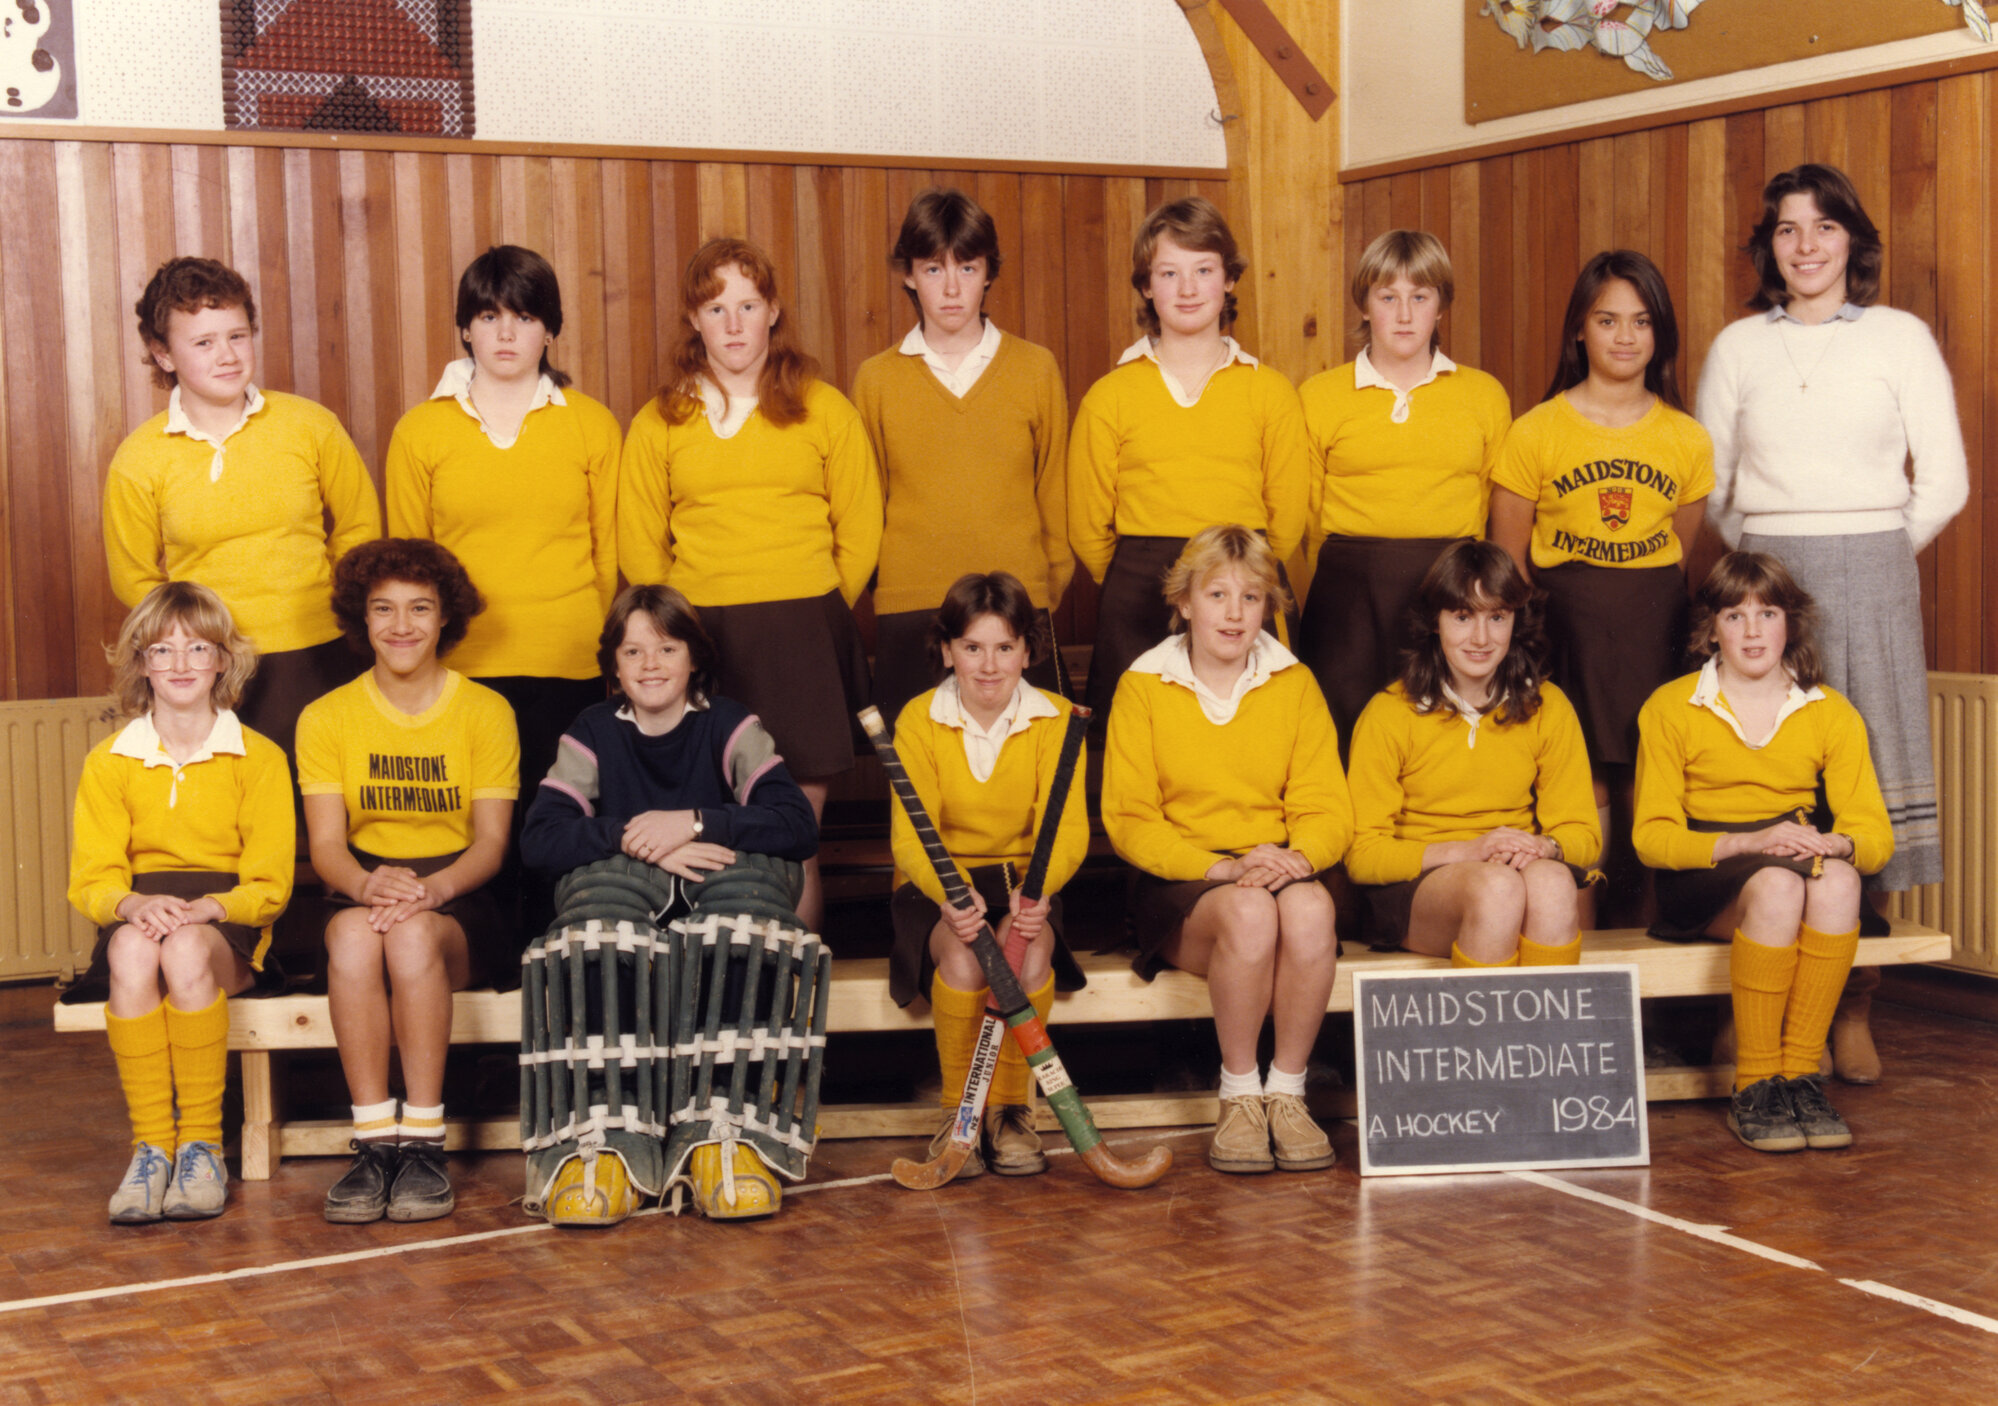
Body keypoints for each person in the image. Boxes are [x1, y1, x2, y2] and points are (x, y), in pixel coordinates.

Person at [1696, 163, 1968, 1083]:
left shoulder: (1899, 338)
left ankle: (1852, 1005)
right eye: (1786, 230)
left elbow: (1947, 482)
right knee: (1768, 765)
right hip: (1770, 567)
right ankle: (1756, 1012)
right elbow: (1717, 490)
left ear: (1853, 240)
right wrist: (1768, 572)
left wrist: (1878, 558)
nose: (1805, 245)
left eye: (1823, 228)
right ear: (1767, 247)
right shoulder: (1739, 346)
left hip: (1876, 572)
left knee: (1866, 779)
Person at [519, 583, 820, 1224]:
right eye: (633, 651)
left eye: (666, 647)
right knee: (596, 918)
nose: (650, 664)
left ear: (692, 658)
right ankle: (604, 1143)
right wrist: (639, 837)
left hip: (718, 897)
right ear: (615, 665)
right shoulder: (595, 730)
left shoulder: (728, 722)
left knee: (748, 907)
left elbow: (796, 825)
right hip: (632, 903)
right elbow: (540, 839)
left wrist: (692, 823)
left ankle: (726, 1138)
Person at [619, 237, 883, 933]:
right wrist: (672, 637)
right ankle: (728, 1011)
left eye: (747, 305)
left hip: (802, 638)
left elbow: (860, 528)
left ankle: (795, 1015)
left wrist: (812, 600)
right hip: (701, 641)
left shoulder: (825, 408)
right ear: (694, 320)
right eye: (716, 307)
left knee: (791, 841)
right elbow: (640, 543)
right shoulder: (659, 421)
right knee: (709, 838)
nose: (733, 324)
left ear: (772, 313)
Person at [385, 245, 621, 934]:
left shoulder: (591, 424)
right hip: (463, 670)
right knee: (476, 839)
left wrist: (599, 653)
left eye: (524, 316)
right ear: (466, 329)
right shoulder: (420, 430)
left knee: (560, 835)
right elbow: (410, 562)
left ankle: (564, 995)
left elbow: (611, 557)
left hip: (569, 661)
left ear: (550, 329)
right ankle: (486, 998)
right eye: (489, 317)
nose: (508, 334)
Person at [1101, 526, 1349, 1175]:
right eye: (1217, 594)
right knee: (1249, 912)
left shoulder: (1294, 683)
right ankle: (1240, 1095)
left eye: (1251, 596)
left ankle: (1287, 1094)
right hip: (1185, 880)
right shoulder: (1143, 685)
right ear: (1183, 601)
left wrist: (1298, 857)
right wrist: (1221, 868)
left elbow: (1327, 807)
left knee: (1311, 910)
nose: (1235, 612)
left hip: (1273, 862)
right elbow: (1129, 820)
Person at [1634, 552, 1892, 1152]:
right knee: (1778, 886)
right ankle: (1754, 1085)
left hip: (1797, 853)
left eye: (1767, 613)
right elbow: (1651, 837)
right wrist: (1751, 840)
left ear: (1789, 623)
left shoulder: (1829, 710)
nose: (1752, 631)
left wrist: (1837, 841)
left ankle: (1800, 1076)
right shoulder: (1671, 706)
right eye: (1734, 614)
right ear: (1711, 629)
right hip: (1710, 867)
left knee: (1841, 882)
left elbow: (1875, 838)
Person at [298, 539, 519, 1225]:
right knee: (360, 942)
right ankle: (373, 1145)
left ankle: (423, 1142)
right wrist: (369, 887)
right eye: (383, 609)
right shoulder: (326, 716)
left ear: (444, 617)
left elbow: (491, 844)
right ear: (360, 620)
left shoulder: (485, 711)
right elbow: (328, 847)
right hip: (364, 884)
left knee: (412, 936)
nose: (401, 625)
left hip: (459, 895)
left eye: (419, 608)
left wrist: (433, 890)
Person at [1488, 250, 1712, 921]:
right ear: (1579, 330)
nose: (1623, 336)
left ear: (1660, 333)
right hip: (1566, 627)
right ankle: (1579, 952)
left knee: (1652, 778)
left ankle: (1649, 960)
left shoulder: (1686, 438)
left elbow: (1680, 551)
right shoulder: (1535, 430)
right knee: (1577, 782)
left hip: (1653, 623)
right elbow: (1509, 557)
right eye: (1607, 319)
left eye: (1641, 321)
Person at [66, 583, 294, 1223]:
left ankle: (201, 1144)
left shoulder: (259, 758)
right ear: (141, 664)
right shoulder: (110, 762)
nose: (182, 664)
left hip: (229, 928)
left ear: (224, 659)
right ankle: (150, 1150)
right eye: (162, 651)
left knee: (186, 946)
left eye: (199, 647)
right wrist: (134, 905)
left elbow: (271, 885)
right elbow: (92, 879)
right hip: (141, 915)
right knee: (138, 948)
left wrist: (209, 909)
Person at [103, 256, 380, 763]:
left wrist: (331, 604)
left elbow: (361, 528)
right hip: (212, 666)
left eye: (237, 335)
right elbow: (133, 577)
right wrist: (197, 642)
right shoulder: (139, 458)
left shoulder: (310, 425)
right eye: (203, 343)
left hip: (320, 652)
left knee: (324, 814)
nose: (227, 355)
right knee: (230, 820)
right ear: (163, 355)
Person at [1068, 197, 1308, 727]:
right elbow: (1087, 526)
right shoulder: (1109, 397)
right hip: (1139, 588)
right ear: (1147, 287)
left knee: (1252, 734)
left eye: (1203, 270)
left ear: (1228, 281)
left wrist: (1240, 578)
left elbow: (1288, 517)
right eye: (1169, 273)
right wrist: (1146, 578)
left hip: (1242, 578)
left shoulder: (1269, 392)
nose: (1188, 288)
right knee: (1139, 740)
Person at [888, 572, 1091, 1178]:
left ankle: (1010, 1112)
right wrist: (952, 894)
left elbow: (1070, 831)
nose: (989, 665)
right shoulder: (918, 719)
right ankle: (961, 1114)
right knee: (967, 958)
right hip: (941, 885)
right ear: (947, 649)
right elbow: (909, 834)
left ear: (1028, 650)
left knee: (1026, 959)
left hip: (1029, 883)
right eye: (972, 647)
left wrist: (1039, 892)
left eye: (1005, 647)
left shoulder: (1058, 717)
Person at [853, 189, 1074, 724]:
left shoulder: (1035, 369)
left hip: (1016, 608)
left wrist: (1038, 594)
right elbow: (866, 503)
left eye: (967, 268)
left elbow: (1055, 494)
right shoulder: (876, 379)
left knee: (1029, 776)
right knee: (915, 780)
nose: (952, 288)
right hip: (911, 608)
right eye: (933, 269)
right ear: (908, 274)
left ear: (989, 273)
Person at [1296, 230, 1512, 746]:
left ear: (1441, 306)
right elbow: (1300, 515)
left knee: (1437, 726)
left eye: (1420, 297)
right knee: (1345, 727)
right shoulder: (1319, 396)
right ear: (1365, 306)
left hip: (1450, 584)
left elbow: (1493, 505)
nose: (1405, 314)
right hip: (1348, 591)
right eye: (1387, 297)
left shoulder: (1482, 395)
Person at [1344, 540, 1601, 968]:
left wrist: (1543, 847)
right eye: (1462, 617)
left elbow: (1583, 835)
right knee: (1497, 889)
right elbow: (1362, 854)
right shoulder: (1390, 712)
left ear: (1515, 622)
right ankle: (1479, 1038)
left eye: (1497, 617)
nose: (1480, 638)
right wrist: (1469, 850)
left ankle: (1543, 1036)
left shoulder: (1547, 706)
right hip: (1420, 885)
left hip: (1513, 868)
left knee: (1553, 885)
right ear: (1435, 621)